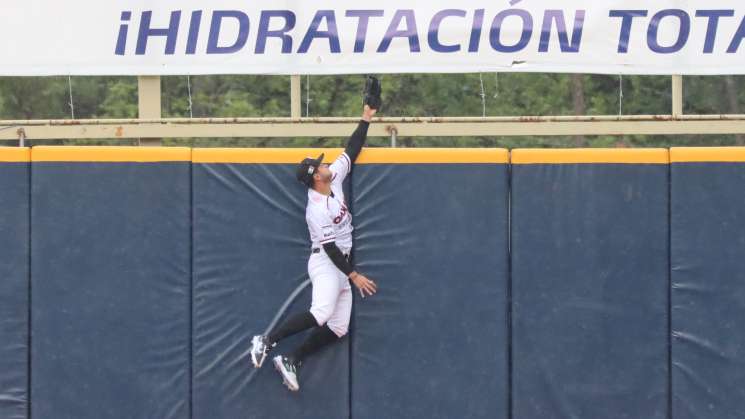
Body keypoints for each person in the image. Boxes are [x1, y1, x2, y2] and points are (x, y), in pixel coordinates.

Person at [249, 100, 380, 392]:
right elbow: (331, 249)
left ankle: (292, 359)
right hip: (327, 262)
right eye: (320, 164)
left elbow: (352, 150)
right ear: (316, 177)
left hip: (341, 263)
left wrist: (366, 117)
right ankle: (266, 341)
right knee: (321, 313)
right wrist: (354, 275)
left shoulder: (333, 178)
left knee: (338, 327)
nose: (326, 164)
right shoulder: (316, 208)